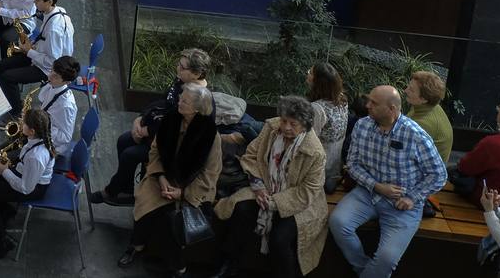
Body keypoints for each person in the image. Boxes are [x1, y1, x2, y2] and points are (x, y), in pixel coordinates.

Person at [330, 85, 447, 278]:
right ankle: (364, 269)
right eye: (369, 100)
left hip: (402, 203)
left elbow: (439, 174)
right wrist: (376, 186)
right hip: (368, 192)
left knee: (387, 258)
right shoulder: (362, 125)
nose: (367, 105)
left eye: (374, 103)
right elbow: (352, 163)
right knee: (337, 222)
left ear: (392, 109)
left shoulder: (415, 135)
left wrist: (412, 197)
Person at [211, 96, 327, 278]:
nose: (286, 127)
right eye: (284, 121)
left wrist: (273, 202)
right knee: (239, 210)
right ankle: (229, 264)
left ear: (305, 125)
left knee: (280, 239)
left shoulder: (315, 152)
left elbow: (308, 191)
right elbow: (251, 155)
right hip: (264, 187)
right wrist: (258, 186)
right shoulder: (272, 128)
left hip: (298, 202)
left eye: (293, 124)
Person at [120, 85, 223, 274]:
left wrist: (182, 192)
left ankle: (178, 266)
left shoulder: (210, 136)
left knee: (174, 218)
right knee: (146, 202)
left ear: (197, 109)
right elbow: (155, 151)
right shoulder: (171, 120)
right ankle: (136, 245)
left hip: (192, 187)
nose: (179, 102)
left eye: (184, 101)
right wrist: (160, 177)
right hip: (163, 177)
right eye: (180, 98)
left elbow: (210, 173)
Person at [93, 47, 212, 206]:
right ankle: (125, 191)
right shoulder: (181, 82)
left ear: (197, 74)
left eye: (183, 67)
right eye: (179, 64)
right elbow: (161, 103)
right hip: (156, 131)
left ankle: (112, 191)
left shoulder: (198, 99)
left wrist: (147, 131)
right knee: (123, 140)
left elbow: (177, 129)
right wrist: (141, 118)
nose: (178, 68)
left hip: (168, 145)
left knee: (130, 154)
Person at [0, 108, 54, 259]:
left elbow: (25, 188)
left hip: (32, 188)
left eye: (24, 124)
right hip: (24, 173)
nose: (21, 124)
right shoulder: (37, 140)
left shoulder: (37, 157)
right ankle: (5, 211)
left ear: (32, 131)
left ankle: (2, 240)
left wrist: (5, 171)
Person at [0, 0, 74, 105]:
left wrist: (29, 51)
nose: (34, 2)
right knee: (0, 66)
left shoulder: (54, 30)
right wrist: (35, 46)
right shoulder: (58, 11)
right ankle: (9, 96)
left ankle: (16, 110)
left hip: (48, 69)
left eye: (37, 0)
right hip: (41, 54)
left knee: (7, 77)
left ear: (49, 2)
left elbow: (53, 61)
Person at [307, 62, 349, 191]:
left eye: (310, 72)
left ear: (318, 81)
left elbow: (309, 143)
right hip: (334, 169)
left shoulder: (317, 108)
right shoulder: (342, 100)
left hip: (318, 173)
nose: (307, 73)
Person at [404, 69, 454, 162]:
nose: (406, 90)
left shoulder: (423, 124)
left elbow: (402, 154)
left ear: (423, 99)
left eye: (411, 90)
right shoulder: (428, 106)